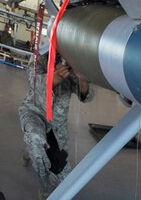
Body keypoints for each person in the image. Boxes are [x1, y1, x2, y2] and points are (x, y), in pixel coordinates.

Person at [19, 50, 93, 199]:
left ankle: (30, 150)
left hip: (57, 126)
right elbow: (33, 84)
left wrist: (83, 79)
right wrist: (55, 78)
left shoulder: (73, 60)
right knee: (36, 138)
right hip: (34, 113)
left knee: (67, 182)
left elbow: (86, 96)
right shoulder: (40, 55)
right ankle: (44, 187)